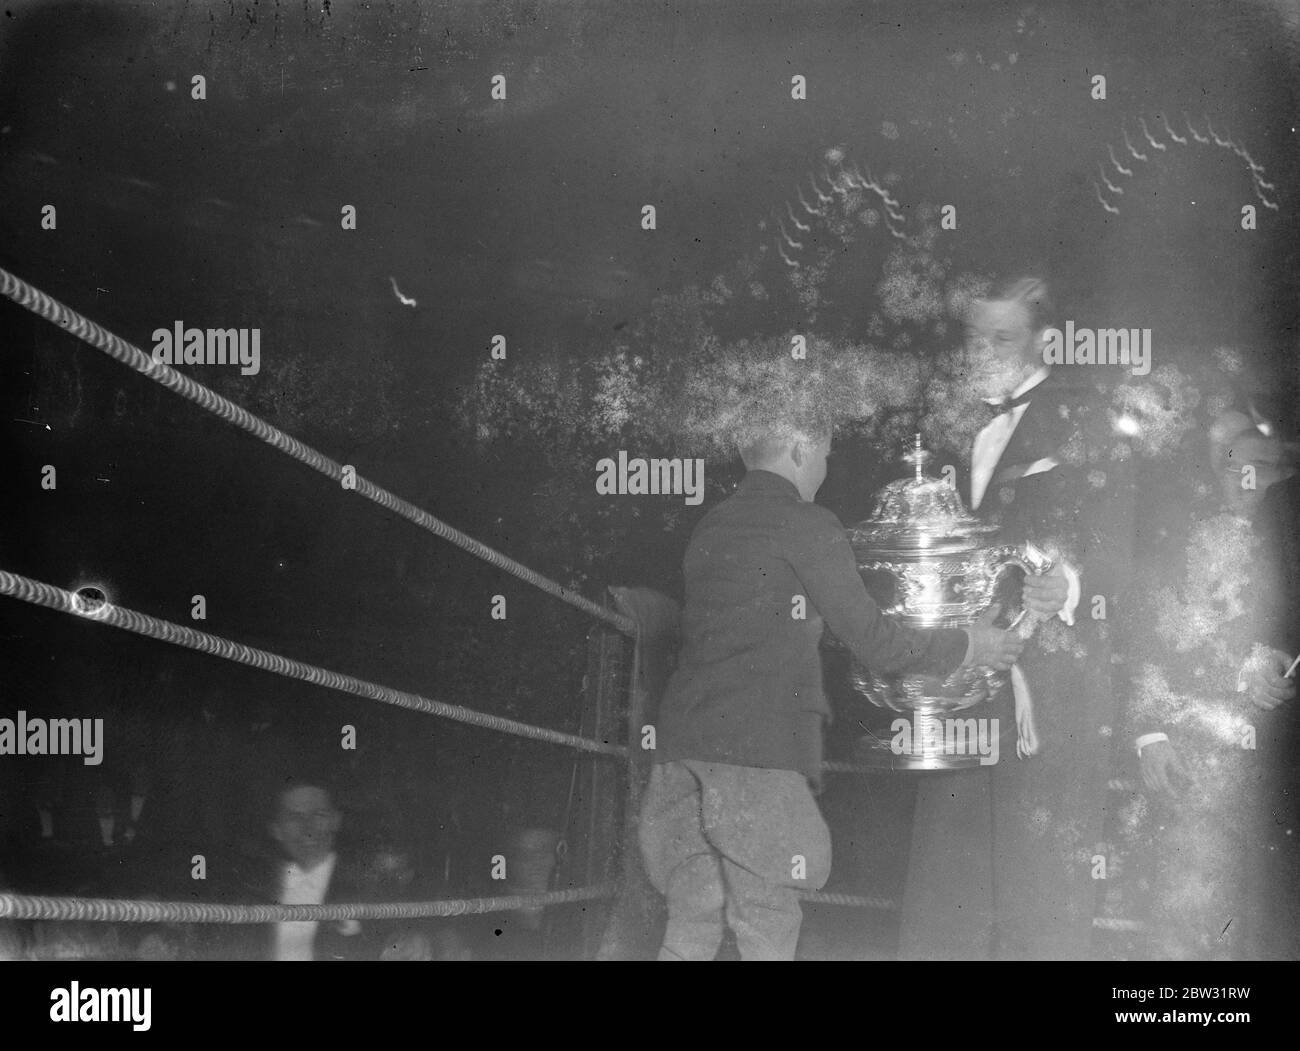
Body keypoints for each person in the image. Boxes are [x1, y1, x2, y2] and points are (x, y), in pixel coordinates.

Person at [639, 415, 1034, 960]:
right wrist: (970, 644)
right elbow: (876, 642)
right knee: (767, 920)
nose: (824, 469)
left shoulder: (712, 524)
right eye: (823, 454)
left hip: (679, 748)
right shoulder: (807, 522)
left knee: (692, 917)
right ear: (801, 449)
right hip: (756, 753)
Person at [900, 273, 1124, 960]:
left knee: (1043, 901)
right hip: (958, 688)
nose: (985, 350)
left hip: (1049, 700)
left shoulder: (1091, 416)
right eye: (976, 336)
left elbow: (1121, 544)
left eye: (1004, 337)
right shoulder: (942, 423)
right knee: (944, 896)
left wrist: (1071, 583)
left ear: (1044, 340)